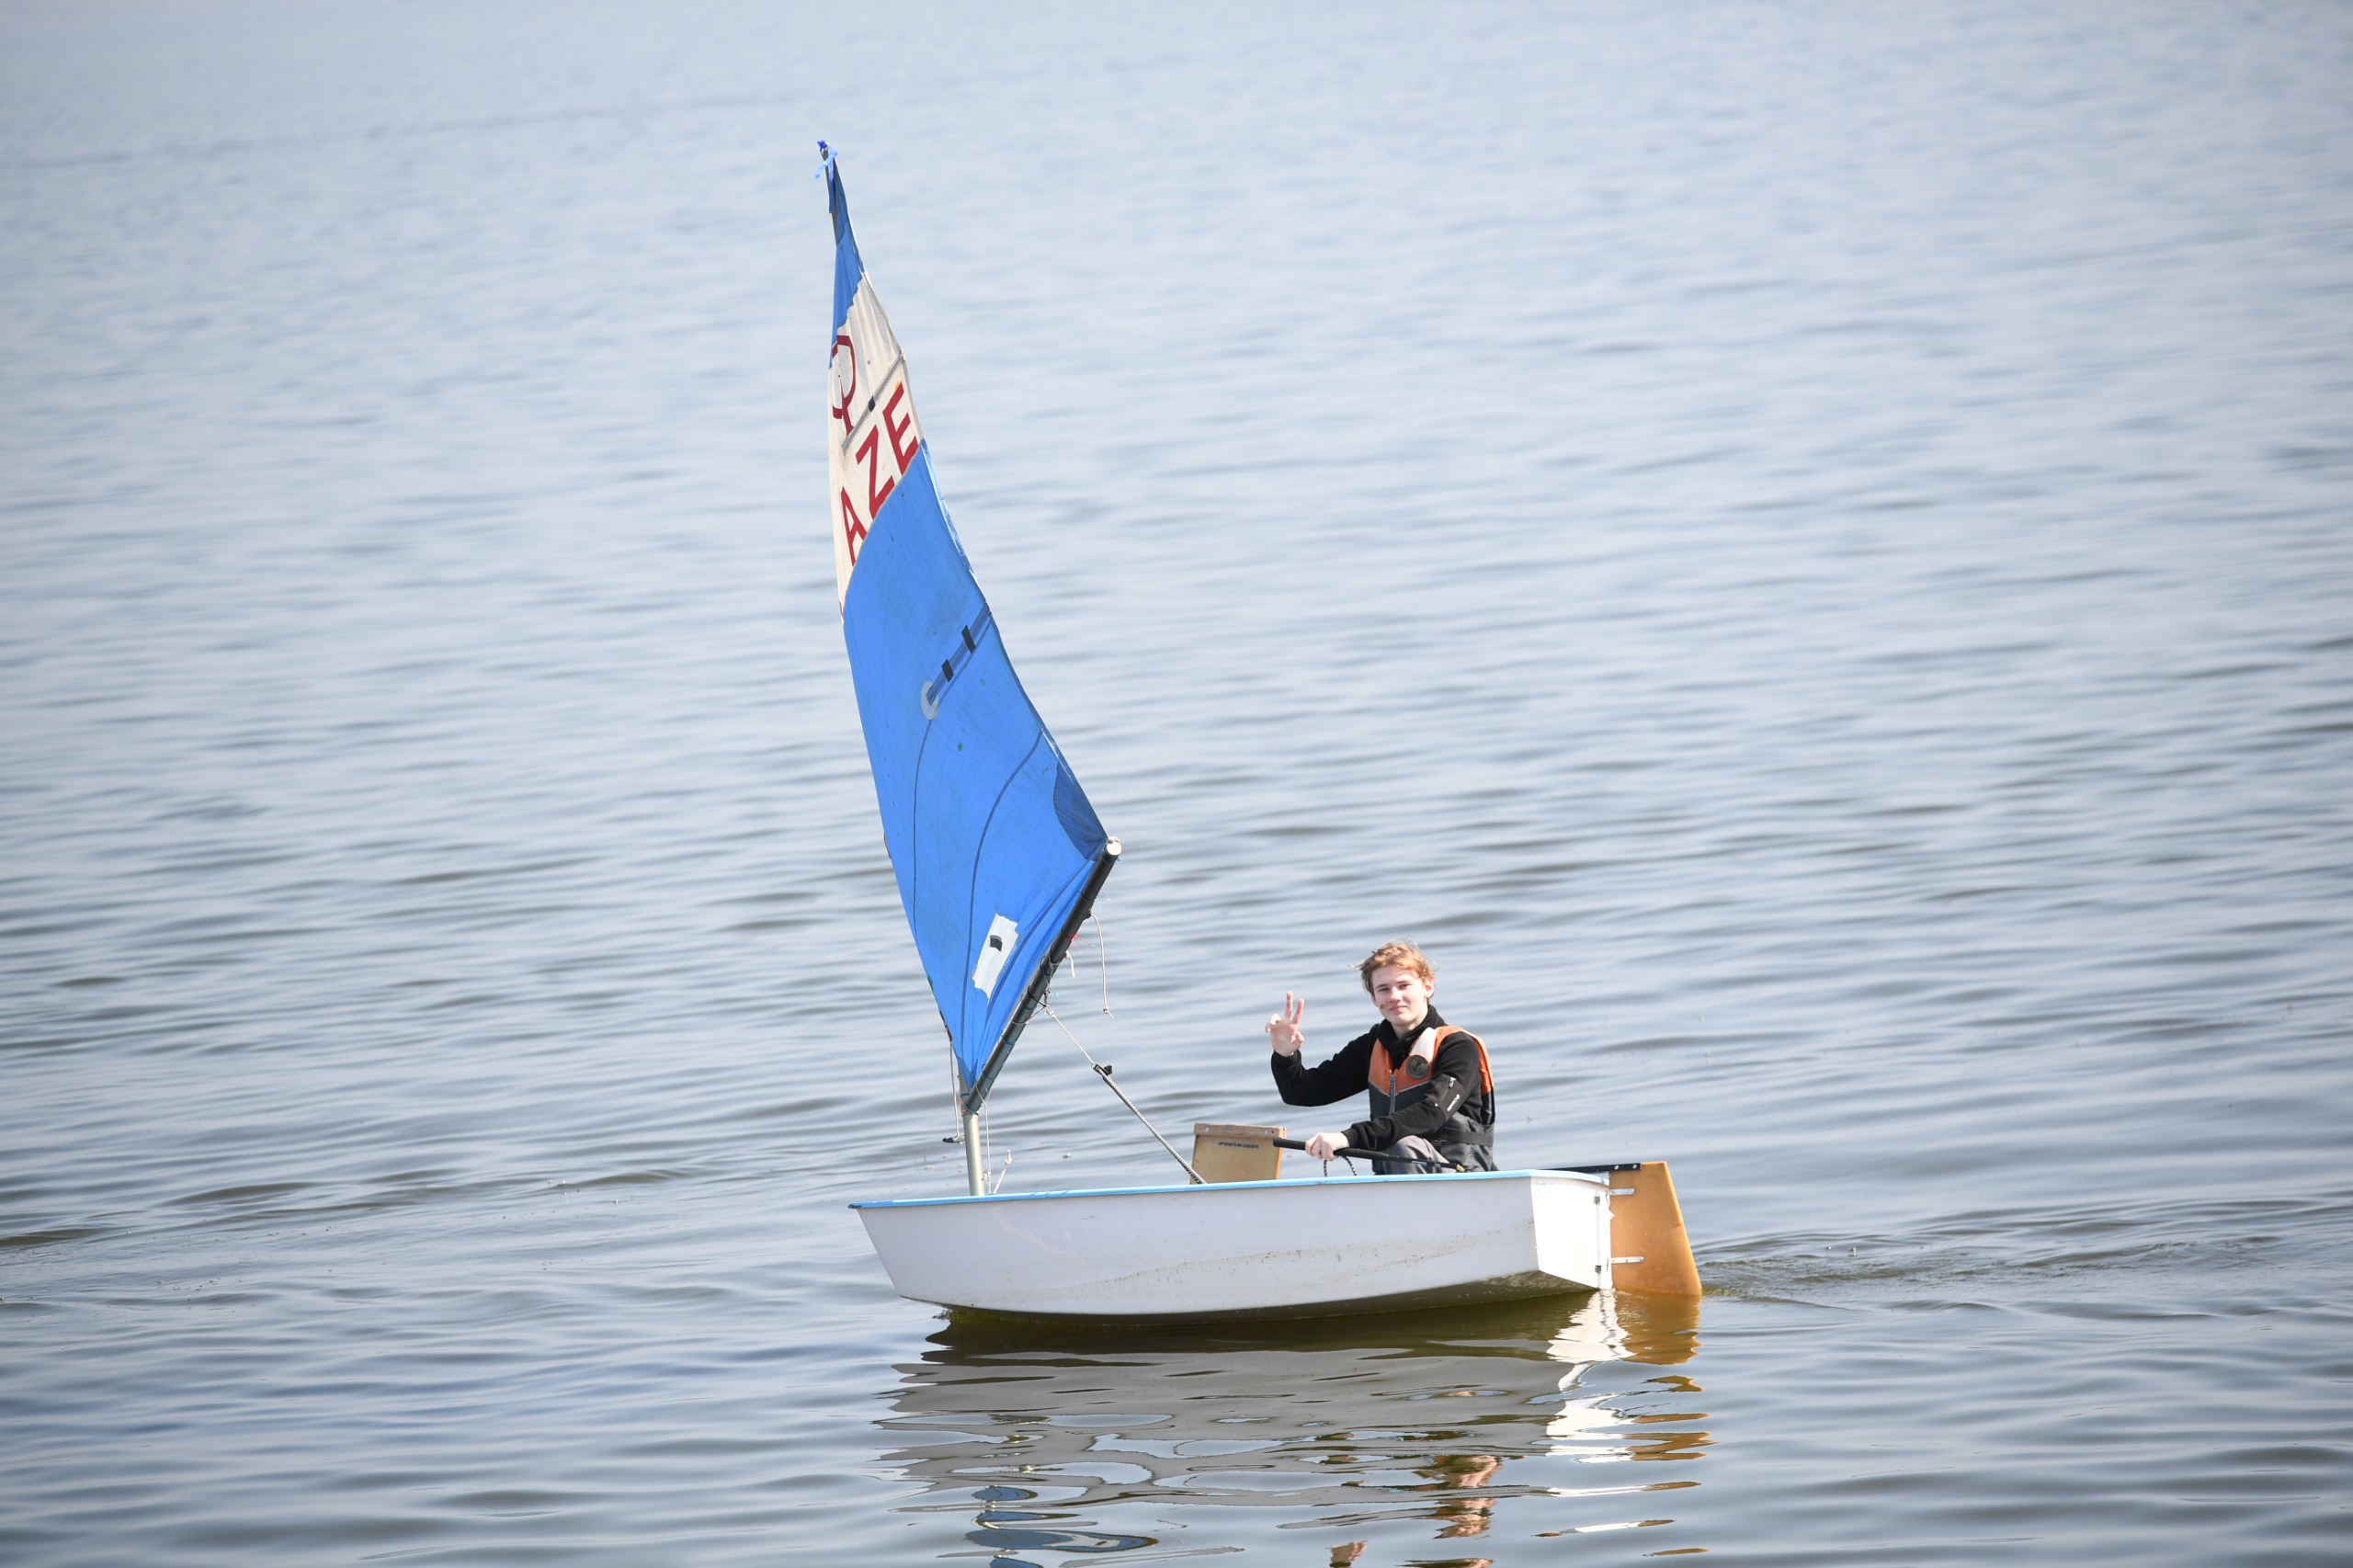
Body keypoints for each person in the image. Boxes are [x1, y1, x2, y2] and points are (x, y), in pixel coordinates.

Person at [1266, 940, 1497, 1173]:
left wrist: (1349, 1137)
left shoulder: (1458, 1047)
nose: (1394, 996)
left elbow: (1431, 1114)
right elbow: (1303, 1092)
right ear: (1374, 999)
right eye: (1384, 989)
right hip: (1395, 1176)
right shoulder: (1372, 1046)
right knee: (1398, 1151)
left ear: (1427, 987)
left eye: (1404, 985)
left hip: (1462, 1177)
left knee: (1404, 1147)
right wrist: (1285, 1055)